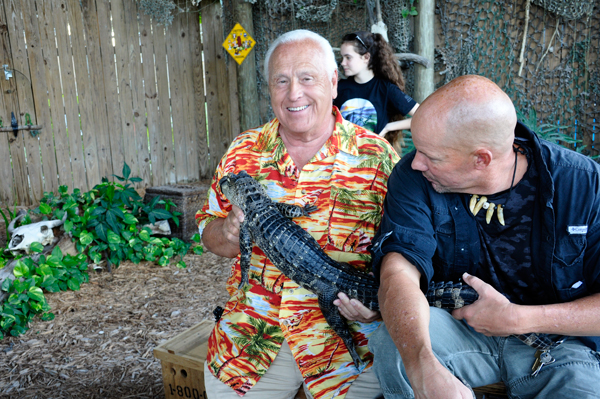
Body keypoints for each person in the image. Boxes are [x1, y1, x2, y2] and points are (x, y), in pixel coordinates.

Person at [364, 74, 600, 398]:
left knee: (581, 390)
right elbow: (398, 270)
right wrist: (423, 368)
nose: (416, 162)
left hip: (557, 343)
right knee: (397, 343)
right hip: (460, 330)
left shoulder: (583, 184)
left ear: (481, 159)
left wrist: (516, 318)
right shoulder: (414, 176)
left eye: (432, 156)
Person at [195, 29, 399, 399]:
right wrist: (225, 231)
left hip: (348, 344)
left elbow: (407, 248)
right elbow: (207, 231)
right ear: (270, 89)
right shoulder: (243, 152)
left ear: (334, 82)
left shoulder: (378, 157)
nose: (294, 94)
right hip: (251, 342)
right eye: (282, 81)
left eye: (307, 78)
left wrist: (383, 304)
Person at [333, 31, 419, 150]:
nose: (342, 63)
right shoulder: (339, 88)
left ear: (366, 57)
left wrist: (389, 127)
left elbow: (422, 115)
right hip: (343, 160)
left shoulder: (386, 89)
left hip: (375, 160)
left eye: (348, 57)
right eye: (342, 57)